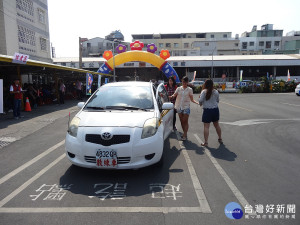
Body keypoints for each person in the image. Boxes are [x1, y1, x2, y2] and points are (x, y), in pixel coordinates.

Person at [170, 76, 199, 141]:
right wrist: (170, 97)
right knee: (182, 122)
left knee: (185, 121)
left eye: (185, 82)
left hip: (186, 107)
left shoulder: (190, 90)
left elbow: (192, 99)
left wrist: (197, 103)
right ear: (182, 81)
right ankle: (184, 133)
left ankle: (184, 135)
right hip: (178, 107)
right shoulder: (178, 88)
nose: (184, 84)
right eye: (183, 82)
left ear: (187, 82)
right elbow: (174, 95)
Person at [199, 79, 222, 146]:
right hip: (215, 110)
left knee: (206, 127)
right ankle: (220, 138)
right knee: (217, 125)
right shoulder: (216, 92)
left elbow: (200, 100)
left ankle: (206, 142)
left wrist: (201, 101)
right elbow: (217, 100)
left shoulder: (204, 91)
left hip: (207, 110)